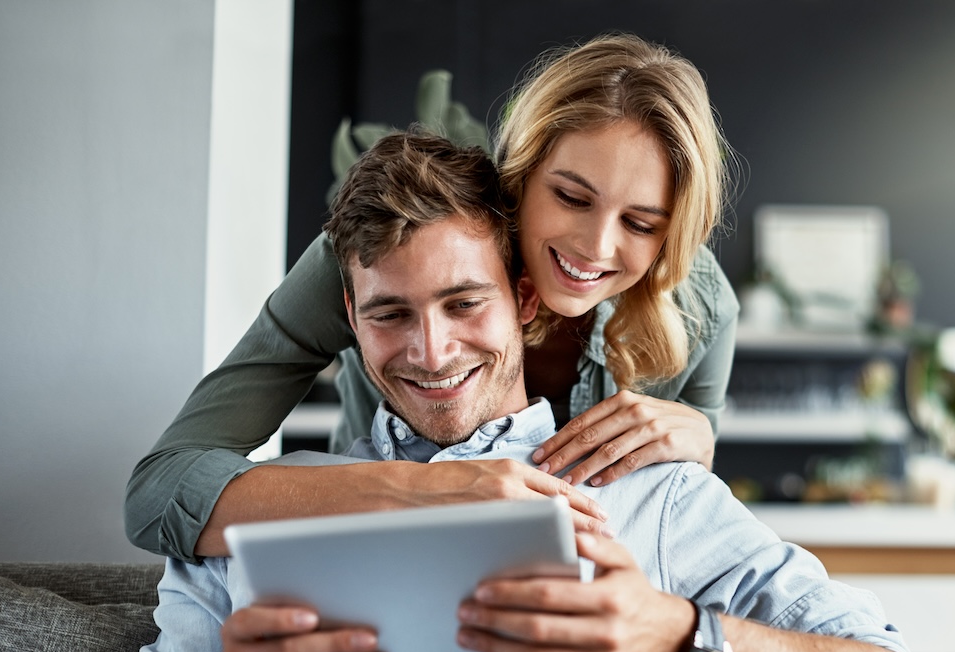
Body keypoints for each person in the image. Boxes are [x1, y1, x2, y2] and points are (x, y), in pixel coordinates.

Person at [94, 132, 945, 652]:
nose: (429, 350)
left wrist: (675, 632)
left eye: (465, 302)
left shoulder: (650, 499)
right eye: (390, 314)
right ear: (348, 322)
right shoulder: (252, 515)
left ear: (525, 301)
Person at [124, 33, 743, 564]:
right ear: (523, 170)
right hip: (374, 548)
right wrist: (424, 493)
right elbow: (159, 492)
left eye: (640, 223)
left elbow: (682, 524)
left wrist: (700, 442)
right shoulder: (381, 255)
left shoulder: (703, 309)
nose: (595, 247)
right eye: (572, 198)